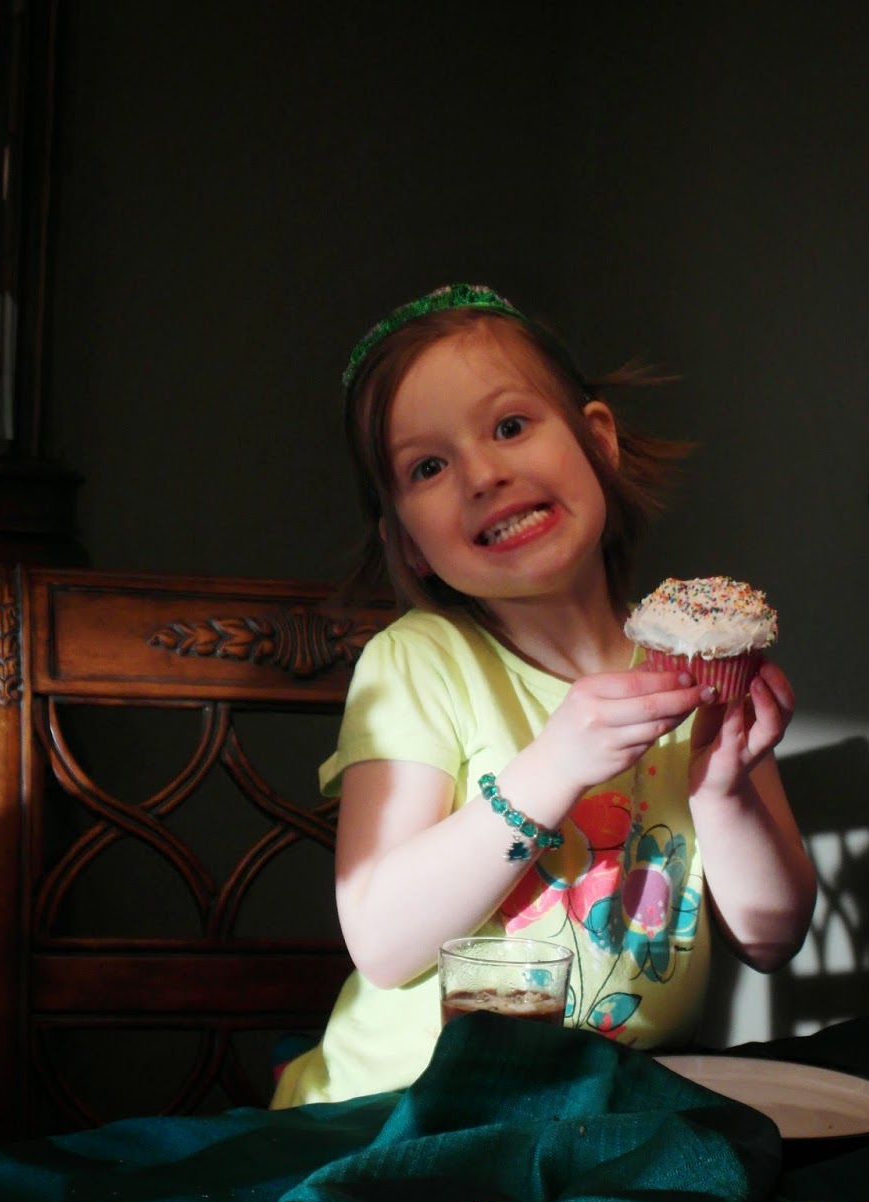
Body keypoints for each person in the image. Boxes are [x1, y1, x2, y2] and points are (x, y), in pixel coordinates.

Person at [271, 283, 817, 1107]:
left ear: (597, 442)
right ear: (407, 544)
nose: (484, 474)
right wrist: (552, 768)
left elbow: (773, 939)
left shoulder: (696, 666)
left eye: (510, 426)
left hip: (611, 1116)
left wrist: (723, 790)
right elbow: (382, 944)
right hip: (402, 1119)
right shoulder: (420, 663)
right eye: (428, 467)